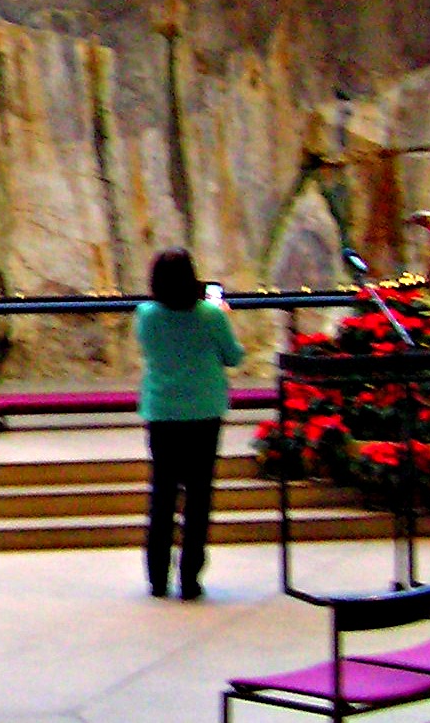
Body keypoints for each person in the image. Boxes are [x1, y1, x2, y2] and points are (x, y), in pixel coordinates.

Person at [134, 247, 245, 601]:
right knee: (198, 496)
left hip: (163, 411)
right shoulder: (210, 315)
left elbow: (150, 349)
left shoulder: (146, 315)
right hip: (203, 411)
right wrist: (221, 315)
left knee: (163, 493)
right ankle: (190, 577)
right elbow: (233, 356)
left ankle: (157, 577)